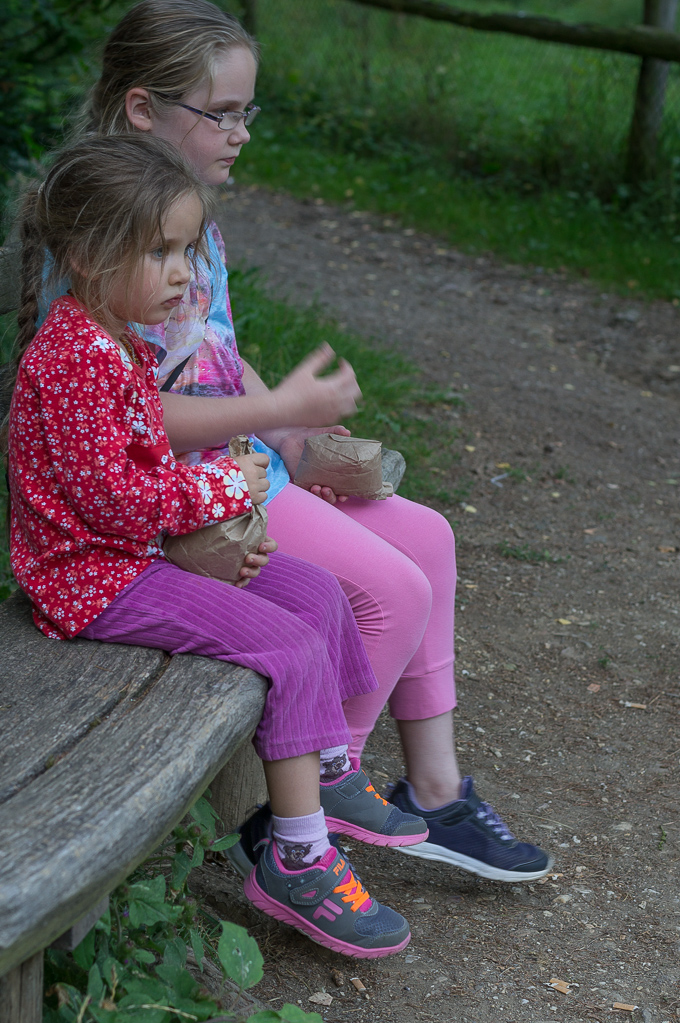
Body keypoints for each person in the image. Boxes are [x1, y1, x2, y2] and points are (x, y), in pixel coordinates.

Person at [79, 0, 552, 882]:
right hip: (186, 500)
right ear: (144, 108)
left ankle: (433, 790)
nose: (241, 134)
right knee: (391, 589)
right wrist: (268, 421)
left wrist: (289, 428)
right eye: (221, 113)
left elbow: (212, 356)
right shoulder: (102, 247)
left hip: (240, 466)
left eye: (247, 112)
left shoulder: (189, 227)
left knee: (429, 537)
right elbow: (129, 416)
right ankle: (305, 812)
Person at [8, 133, 435, 959]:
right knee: (288, 642)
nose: (181, 273)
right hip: (90, 579)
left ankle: (330, 768)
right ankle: (296, 857)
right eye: (160, 252)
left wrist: (214, 489)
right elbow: (115, 501)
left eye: (185, 250)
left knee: (316, 592)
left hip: (132, 555)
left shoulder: (114, 339)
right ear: (89, 257)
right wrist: (225, 487)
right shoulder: (73, 358)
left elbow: (133, 483)